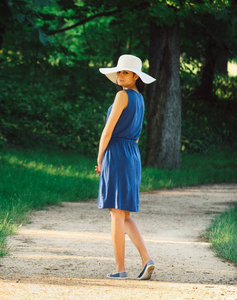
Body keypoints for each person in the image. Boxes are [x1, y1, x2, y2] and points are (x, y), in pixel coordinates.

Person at [95, 54, 156, 280]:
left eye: (125, 72)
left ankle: (120, 269)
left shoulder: (122, 96)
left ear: (135, 76)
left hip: (117, 153)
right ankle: (146, 259)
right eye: (119, 72)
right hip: (132, 154)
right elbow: (137, 136)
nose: (120, 76)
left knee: (116, 214)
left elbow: (107, 131)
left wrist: (100, 157)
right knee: (125, 215)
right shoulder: (139, 99)